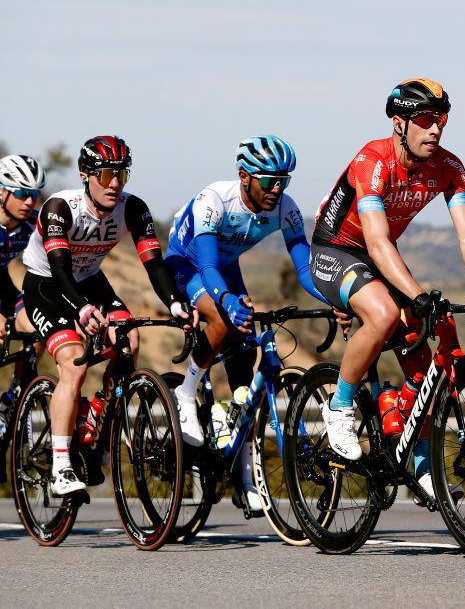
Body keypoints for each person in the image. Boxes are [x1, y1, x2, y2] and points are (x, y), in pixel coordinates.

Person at [312, 78, 465, 500]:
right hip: (338, 249)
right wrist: (414, 293)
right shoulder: (373, 160)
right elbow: (375, 241)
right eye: (426, 120)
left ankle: (419, 461)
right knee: (383, 314)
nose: (436, 129)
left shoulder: (449, 168)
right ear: (399, 124)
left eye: (442, 120)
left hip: (383, 254)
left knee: (424, 362)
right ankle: (339, 406)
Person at [164, 135, 331, 511]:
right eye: (269, 180)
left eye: (284, 180)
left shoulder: (284, 207)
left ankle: (242, 474)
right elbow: (206, 266)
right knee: (225, 319)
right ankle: (185, 393)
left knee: (246, 385)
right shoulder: (215, 200)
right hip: (187, 264)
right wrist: (225, 301)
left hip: (225, 267)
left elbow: (305, 269)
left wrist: (335, 301)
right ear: (244, 176)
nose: (278, 188)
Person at [21, 136, 194, 496]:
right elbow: (60, 269)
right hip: (48, 285)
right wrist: (83, 310)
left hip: (90, 280)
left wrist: (176, 304)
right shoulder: (59, 209)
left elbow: (155, 265)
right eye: (105, 175)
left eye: (121, 175)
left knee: (130, 337)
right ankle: (61, 467)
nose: (114, 183)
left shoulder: (133, 208)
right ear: (85, 175)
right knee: (74, 363)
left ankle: (98, 411)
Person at [0, 154, 47, 480]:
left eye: (34, 194)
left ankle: (16, 393)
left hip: (8, 289)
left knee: (39, 325)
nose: (29, 201)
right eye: (20, 193)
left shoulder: (33, 225)